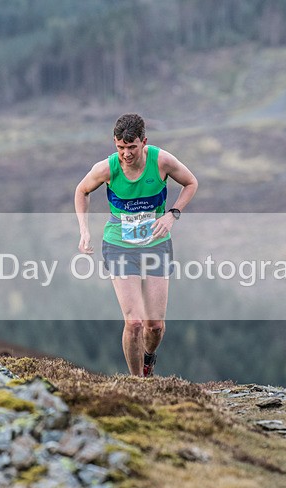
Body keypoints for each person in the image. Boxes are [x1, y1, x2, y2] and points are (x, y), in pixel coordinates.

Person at [74, 113, 198, 377]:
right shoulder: (107, 168)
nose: (126, 154)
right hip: (119, 245)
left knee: (154, 326)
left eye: (131, 147)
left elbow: (190, 183)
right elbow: (81, 191)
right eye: (120, 147)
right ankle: (137, 384)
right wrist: (84, 231)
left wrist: (172, 214)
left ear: (144, 142)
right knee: (135, 322)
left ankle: (148, 359)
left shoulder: (161, 161)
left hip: (156, 244)